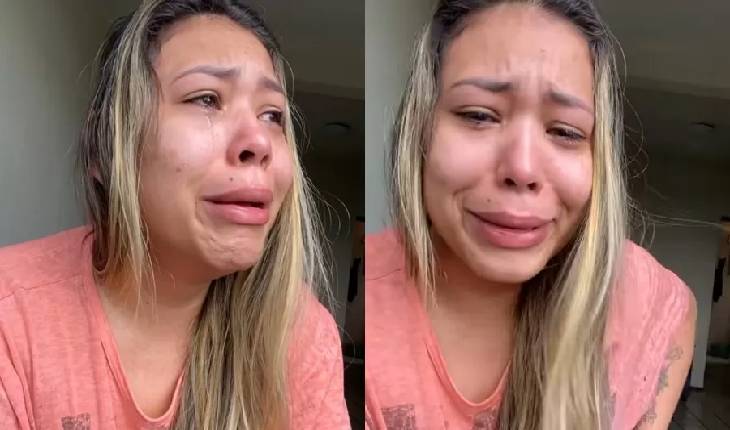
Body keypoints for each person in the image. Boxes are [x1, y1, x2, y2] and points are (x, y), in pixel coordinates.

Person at [0, 1, 350, 429]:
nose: (259, 142)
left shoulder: (301, 336)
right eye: (206, 99)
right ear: (105, 147)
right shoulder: (11, 319)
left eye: (272, 115)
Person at [365, 1, 696, 429]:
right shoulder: (354, 322)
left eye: (564, 131)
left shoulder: (642, 301)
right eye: (478, 115)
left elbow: (675, 312)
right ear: (420, 130)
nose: (522, 169)